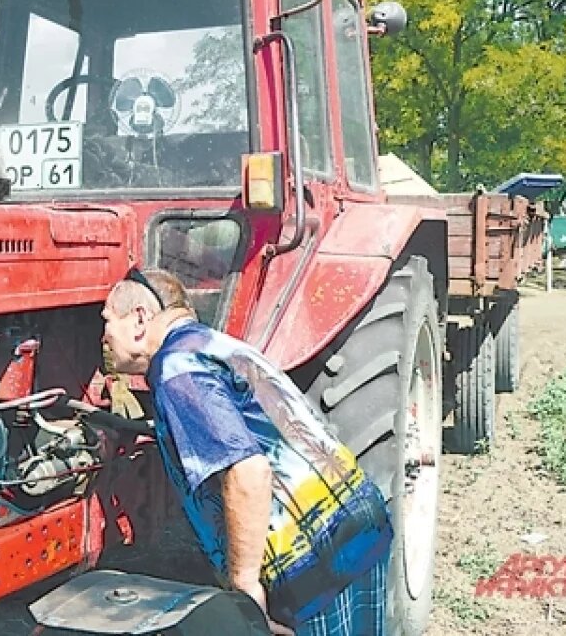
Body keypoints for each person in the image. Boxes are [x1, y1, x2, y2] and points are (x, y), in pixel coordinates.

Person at [101, 267, 393, 636]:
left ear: (140, 318)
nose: (104, 335)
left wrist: (245, 587)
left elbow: (248, 471)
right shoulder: (214, 344)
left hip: (310, 559)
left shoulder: (177, 370)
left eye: (107, 320)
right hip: (357, 518)